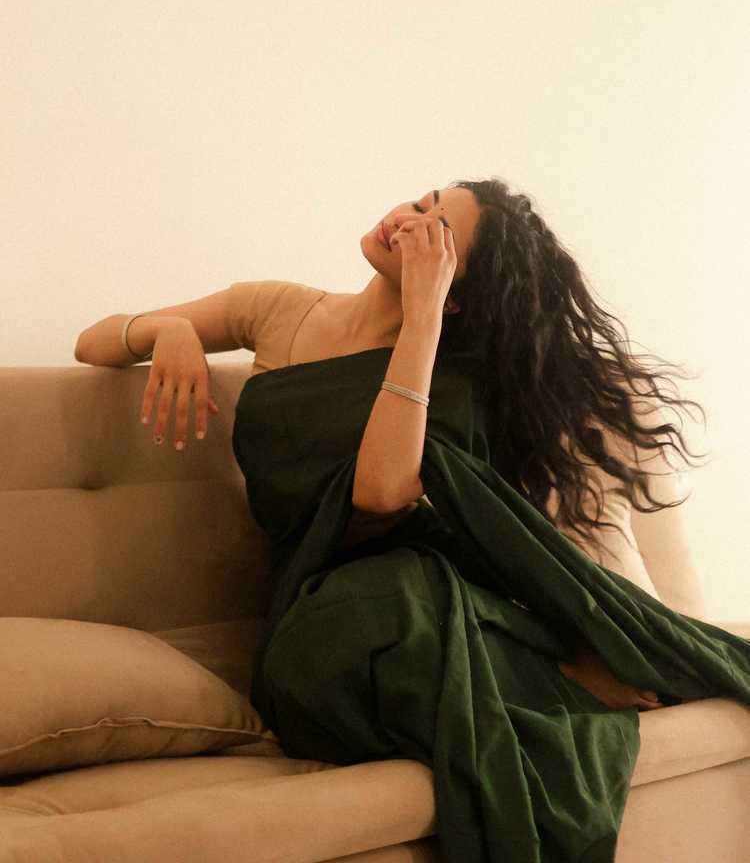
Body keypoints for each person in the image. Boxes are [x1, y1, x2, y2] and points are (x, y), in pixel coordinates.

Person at [75, 177, 750, 863]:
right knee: (381, 608)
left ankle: (577, 674)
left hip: (419, 595)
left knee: (405, 590)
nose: (406, 222)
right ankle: (572, 677)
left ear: (455, 291)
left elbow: (381, 493)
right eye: (422, 203)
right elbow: (91, 342)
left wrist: (423, 319)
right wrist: (169, 330)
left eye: (436, 234)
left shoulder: (447, 375)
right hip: (316, 621)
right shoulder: (276, 309)